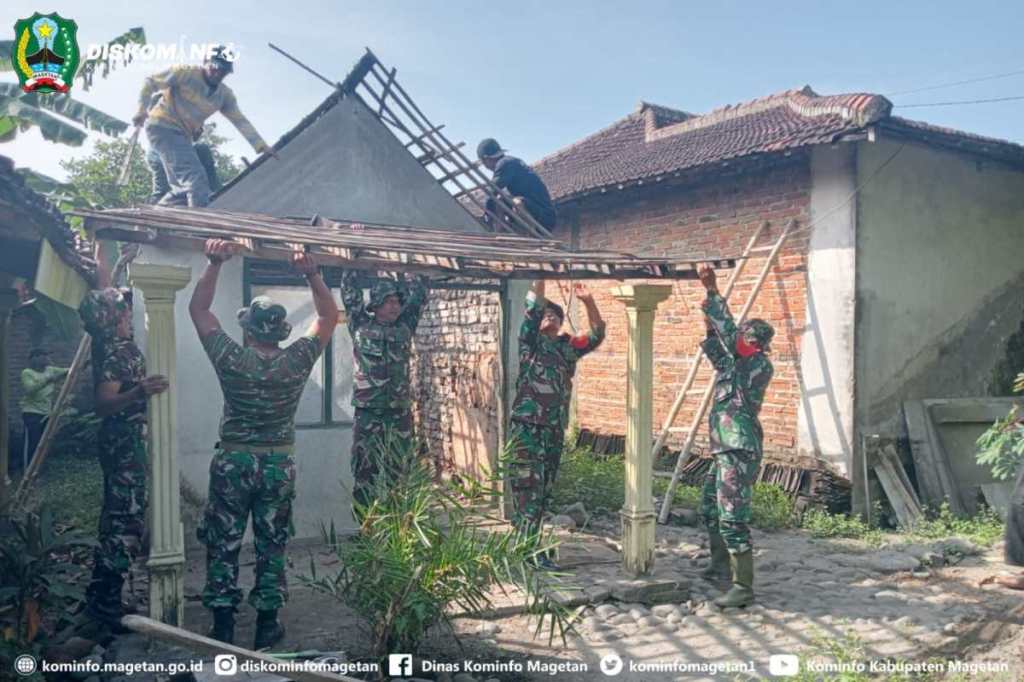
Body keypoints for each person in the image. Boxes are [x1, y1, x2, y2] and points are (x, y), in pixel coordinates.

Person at [189, 239, 337, 648]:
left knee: (224, 541)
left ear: (248, 328)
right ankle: (267, 625)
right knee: (272, 543)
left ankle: (221, 624)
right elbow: (328, 315)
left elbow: (198, 310)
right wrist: (311, 272)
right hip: (277, 465)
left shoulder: (232, 358)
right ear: (280, 330)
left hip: (234, 462)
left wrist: (214, 263)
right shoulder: (297, 359)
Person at [78, 259, 168, 636]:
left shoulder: (111, 344)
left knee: (117, 517)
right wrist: (139, 392)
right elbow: (103, 402)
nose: (130, 309)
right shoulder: (118, 351)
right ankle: (107, 607)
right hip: (124, 443)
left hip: (121, 443)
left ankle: (104, 597)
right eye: (124, 307)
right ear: (113, 317)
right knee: (125, 521)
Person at [696, 263, 774, 608]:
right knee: (709, 505)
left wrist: (713, 290)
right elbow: (716, 340)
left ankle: (743, 587)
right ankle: (719, 565)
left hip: (739, 448)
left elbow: (727, 338)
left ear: (752, 341)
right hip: (723, 447)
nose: (738, 339)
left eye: (743, 335)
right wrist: (707, 310)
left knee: (731, 514)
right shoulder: (732, 365)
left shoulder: (756, 363)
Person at [508, 280, 604, 562]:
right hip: (527, 427)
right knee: (528, 488)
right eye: (545, 314)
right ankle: (528, 550)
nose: (550, 316)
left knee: (544, 490)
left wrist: (588, 302)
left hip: (553, 429)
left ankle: (527, 545)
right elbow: (533, 307)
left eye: (556, 314)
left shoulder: (566, 348)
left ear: (562, 323)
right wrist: (541, 275)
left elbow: (597, 335)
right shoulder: (529, 343)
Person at [134, 46, 274, 207]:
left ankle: (156, 214)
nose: (218, 74)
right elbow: (151, 82)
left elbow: (240, 120)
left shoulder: (224, 95)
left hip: (183, 136)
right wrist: (141, 109)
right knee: (196, 179)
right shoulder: (185, 73)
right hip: (162, 127)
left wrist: (261, 146)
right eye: (215, 68)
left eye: (223, 71)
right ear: (206, 62)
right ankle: (198, 228)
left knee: (184, 189)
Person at [340, 266, 428, 513]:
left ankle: (396, 532)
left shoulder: (405, 327)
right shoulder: (359, 325)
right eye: (388, 302)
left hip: (399, 414)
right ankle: (365, 530)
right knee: (365, 473)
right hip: (368, 413)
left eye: (397, 301)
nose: (394, 307)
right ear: (376, 304)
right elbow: (350, 294)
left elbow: (419, 296)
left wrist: (414, 262)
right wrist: (354, 256)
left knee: (399, 473)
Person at [477, 138, 556, 231]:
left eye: (484, 163)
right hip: (538, 212)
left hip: (544, 217)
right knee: (500, 199)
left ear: (486, 159)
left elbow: (492, 192)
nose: (486, 168)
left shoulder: (505, 164)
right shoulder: (511, 161)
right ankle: (499, 231)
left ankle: (527, 234)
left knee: (517, 202)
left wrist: (487, 215)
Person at [19, 348, 69, 470]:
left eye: (47, 355)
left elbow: (68, 371)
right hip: (31, 413)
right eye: (44, 356)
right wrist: (47, 380)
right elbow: (29, 389)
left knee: (43, 444)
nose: (47, 358)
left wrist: (84, 363)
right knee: (33, 443)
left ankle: (37, 471)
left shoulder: (50, 370)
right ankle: (27, 471)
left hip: (46, 413)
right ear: (35, 358)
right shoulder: (27, 372)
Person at [147, 142, 219, 205]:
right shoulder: (199, 149)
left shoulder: (153, 150)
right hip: (180, 204)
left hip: (159, 202)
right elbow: (215, 189)